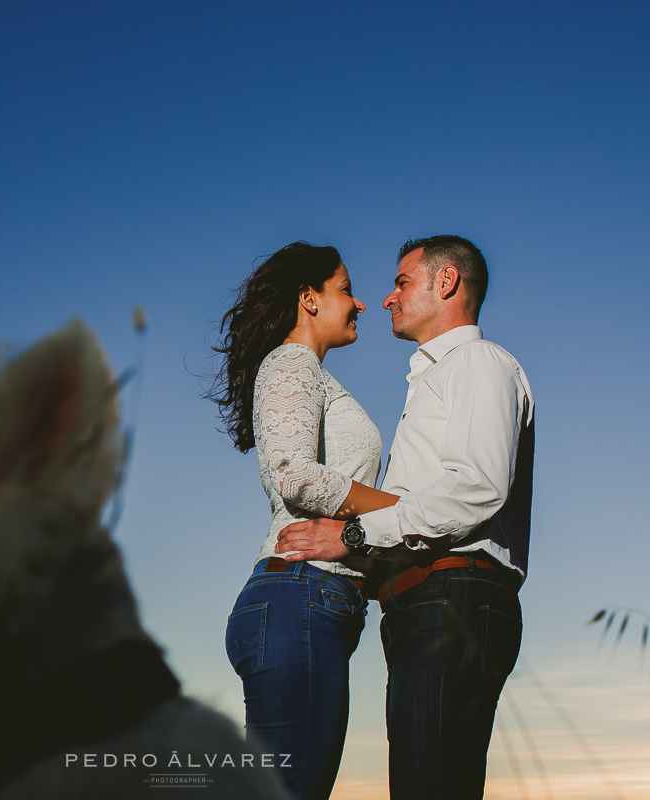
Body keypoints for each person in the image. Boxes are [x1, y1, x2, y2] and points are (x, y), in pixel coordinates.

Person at [277, 234, 534, 799]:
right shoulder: (436, 380)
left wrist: (353, 533)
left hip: (455, 594)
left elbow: (477, 489)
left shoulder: (478, 364)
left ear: (446, 283)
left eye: (401, 282)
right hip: (428, 600)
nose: (387, 298)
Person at [210, 241, 397, 800]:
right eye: (345, 289)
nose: (360, 302)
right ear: (308, 299)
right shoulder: (292, 362)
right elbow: (292, 473)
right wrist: (402, 512)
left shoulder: (305, 371)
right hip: (298, 601)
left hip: (304, 605)